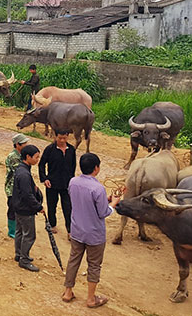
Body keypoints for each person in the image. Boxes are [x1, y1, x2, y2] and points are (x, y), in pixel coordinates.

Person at [61, 153, 119, 309]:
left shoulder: (73, 182)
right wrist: (113, 203)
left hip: (77, 230)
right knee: (94, 265)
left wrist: (103, 201)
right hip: (94, 234)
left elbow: (81, 201)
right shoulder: (98, 188)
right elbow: (103, 213)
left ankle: (68, 292)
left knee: (73, 260)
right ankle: (91, 299)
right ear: (96, 168)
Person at [12, 144, 45, 272]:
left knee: (19, 231)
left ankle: (19, 254)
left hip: (18, 207)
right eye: (36, 157)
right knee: (29, 235)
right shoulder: (24, 174)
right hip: (25, 209)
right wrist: (38, 207)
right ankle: (24, 260)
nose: (37, 160)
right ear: (28, 157)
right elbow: (27, 195)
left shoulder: (22, 170)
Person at [39, 129, 77, 236]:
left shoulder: (71, 150)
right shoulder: (50, 149)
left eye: (64, 138)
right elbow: (41, 164)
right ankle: (52, 224)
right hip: (52, 183)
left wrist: (72, 181)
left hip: (66, 184)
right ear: (55, 137)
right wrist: (45, 178)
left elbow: (73, 166)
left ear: (68, 136)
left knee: (68, 207)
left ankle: (70, 230)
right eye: (60, 138)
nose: (62, 140)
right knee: (52, 205)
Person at [5, 133, 30, 239]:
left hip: (19, 187)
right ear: (17, 145)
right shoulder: (13, 157)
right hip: (12, 188)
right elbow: (18, 172)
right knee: (12, 208)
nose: (26, 145)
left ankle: (17, 229)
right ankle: (12, 231)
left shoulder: (22, 155)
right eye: (24, 143)